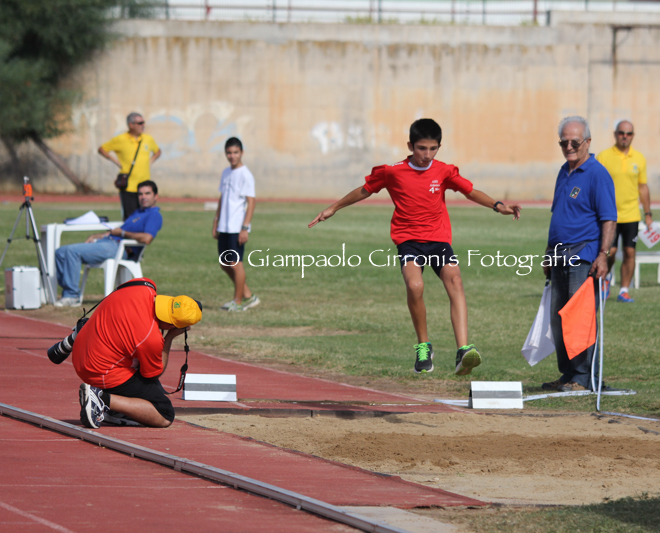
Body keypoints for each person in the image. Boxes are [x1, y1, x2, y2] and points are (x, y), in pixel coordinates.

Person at [309, 118, 520, 375]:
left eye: (433, 149)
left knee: (455, 280)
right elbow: (365, 190)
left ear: (439, 147)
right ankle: (423, 346)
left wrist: (498, 206)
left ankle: (463, 350)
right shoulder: (392, 172)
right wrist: (333, 208)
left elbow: (470, 191)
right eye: (421, 148)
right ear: (410, 146)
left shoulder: (444, 171)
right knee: (415, 286)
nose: (427, 155)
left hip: (438, 239)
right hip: (408, 241)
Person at [541, 116, 617, 392]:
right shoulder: (564, 171)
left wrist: (603, 254)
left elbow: (609, 219)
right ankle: (568, 374)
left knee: (579, 318)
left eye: (575, 142)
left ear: (587, 142)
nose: (569, 147)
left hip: (583, 255)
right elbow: (558, 216)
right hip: (558, 255)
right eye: (564, 142)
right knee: (559, 318)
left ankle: (584, 377)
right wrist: (548, 253)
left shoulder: (598, 174)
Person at [72, 277, 203, 428]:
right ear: (172, 325)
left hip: (82, 348)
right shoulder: (150, 338)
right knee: (164, 413)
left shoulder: (144, 286)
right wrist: (170, 337)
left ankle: (116, 410)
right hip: (98, 370)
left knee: (142, 371)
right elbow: (153, 374)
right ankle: (101, 399)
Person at [54, 181, 163, 307]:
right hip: (109, 242)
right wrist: (97, 236)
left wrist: (122, 233)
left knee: (72, 251)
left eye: (147, 193)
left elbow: (147, 238)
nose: (143, 197)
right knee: (61, 252)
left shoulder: (154, 215)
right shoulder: (137, 212)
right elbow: (115, 232)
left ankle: (71, 296)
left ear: (156, 196)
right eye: (140, 194)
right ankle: (67, 292)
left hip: (119, 248)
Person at [596, 119, 652, 303]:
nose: (624, 137)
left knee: (629, 253)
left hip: (631, 214)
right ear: (615, 134)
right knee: (609, 252)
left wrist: (648, 214)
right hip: (608, 215)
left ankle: (624, 290)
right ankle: (605, 279)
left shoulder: (639, 158)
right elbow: (595, 183)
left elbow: (643, 187)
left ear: (633, 136)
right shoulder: (603, 156)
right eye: (621, 133)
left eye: (628, 134)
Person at [213, 137, 259, 312]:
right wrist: (216, 221)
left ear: (242, 153)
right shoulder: (226, 172)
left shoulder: (246, 175)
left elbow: (251, 202)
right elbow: (222, 198)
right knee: (224, 264)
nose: (232, 156)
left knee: (235, 263)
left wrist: (245, 227)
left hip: (236, 227)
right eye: (229, 153)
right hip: (224, 226)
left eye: (235, 152)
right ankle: (248, 295)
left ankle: (237, 302)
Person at [98, 112, 161, 220]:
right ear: (131, 125)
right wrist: (116, 162)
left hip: (144, 186)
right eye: (140, 123)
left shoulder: (148, 139)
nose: (143, 125)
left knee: (146, 217)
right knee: (130, 219)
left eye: (143, 122)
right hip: (129, 187)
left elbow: (158, 151)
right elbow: (102, 149)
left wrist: (151, 161)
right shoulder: (120, 139)